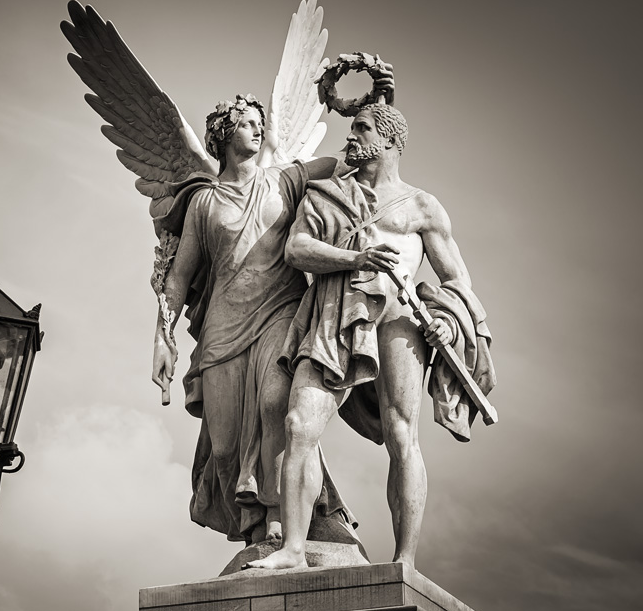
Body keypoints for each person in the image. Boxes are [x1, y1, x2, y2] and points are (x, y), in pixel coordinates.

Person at [247, 103, 495, 569]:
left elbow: (458, 280)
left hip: (399, 320)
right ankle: (293, 550)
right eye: (353, 127)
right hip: (334, 310)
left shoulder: (422, 206)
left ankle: (404, 560)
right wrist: (353, 261)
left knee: (403, 436)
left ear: (390, 141)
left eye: (361, 128)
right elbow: (298, 248)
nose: (352, 136)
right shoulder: (325, 194)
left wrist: (447, 319)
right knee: (299, 424)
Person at [151, 94, 364, 547]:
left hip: (282, 314)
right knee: (225, 448)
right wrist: (162, 339)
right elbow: (179, 277)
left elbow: (352, 161)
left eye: (259, 123)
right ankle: (253, 528)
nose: (257, 130)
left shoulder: (285, 181)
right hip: (223, 330)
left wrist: (375, 109)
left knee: (275, 407)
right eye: (247, 123)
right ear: (225, 136)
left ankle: (276, 519)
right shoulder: (204, 203)